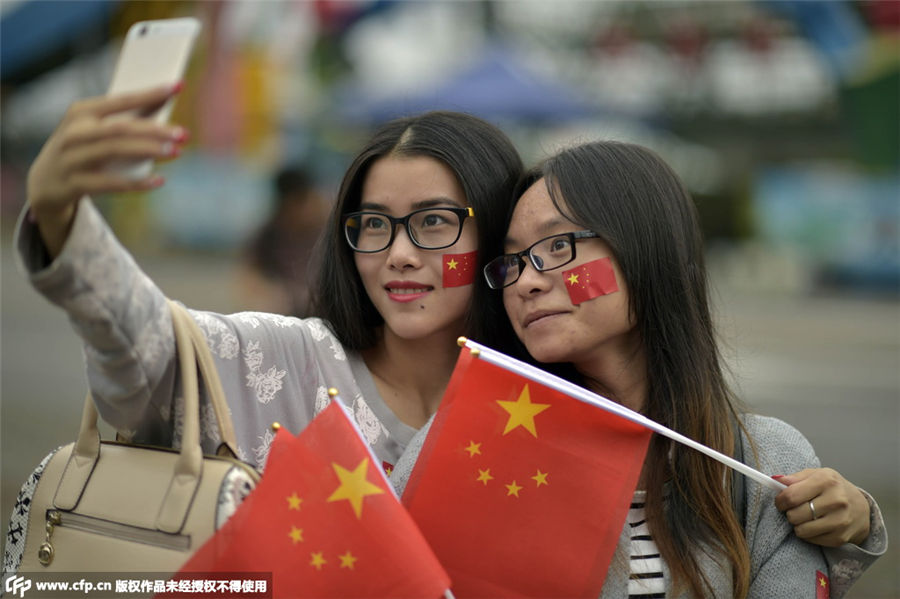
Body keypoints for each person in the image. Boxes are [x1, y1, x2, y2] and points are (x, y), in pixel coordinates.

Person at [16, 83, 520, 476]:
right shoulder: (280, 359)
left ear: (498, 233)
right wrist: (61, 218)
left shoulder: (540, 408)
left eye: (434, 221)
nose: (399, 254)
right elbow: (145, 346)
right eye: (374, 223)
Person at [478, 140, 887, 598]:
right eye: (513, 260)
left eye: (557, 245)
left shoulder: (770, 467)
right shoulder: (474, 454)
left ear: (645, 248)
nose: (527, 281)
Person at [236, 165, 326, 317]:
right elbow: (249, 275)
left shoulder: (329, 230)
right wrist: (271, 295)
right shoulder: (269, 233)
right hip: (287, 312)